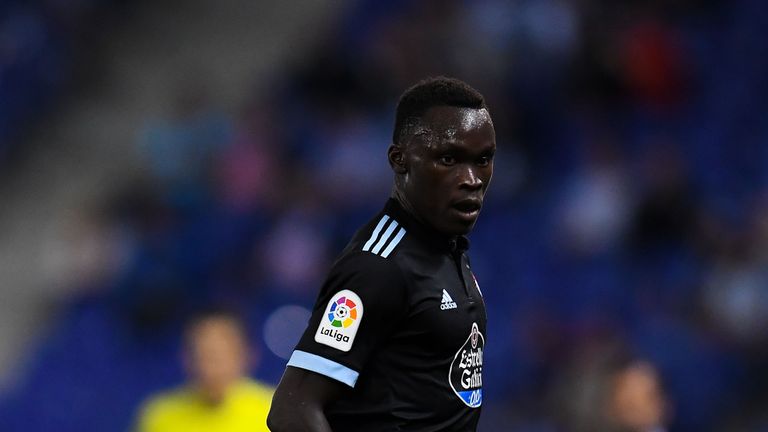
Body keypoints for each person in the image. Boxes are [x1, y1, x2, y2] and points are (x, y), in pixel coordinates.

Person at [268, 76, 496, 431]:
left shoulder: (447, 249)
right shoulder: (379, 265)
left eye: (483, 160)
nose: (471, 178)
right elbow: (292, 409)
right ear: (399, 160)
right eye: (448, 158)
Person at [136, 308, 274, 432]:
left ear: (246, 355)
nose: (212, 368)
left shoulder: (274, 411)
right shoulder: (160, 416)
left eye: (221, 355)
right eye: (203, 355)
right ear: (186, 358)